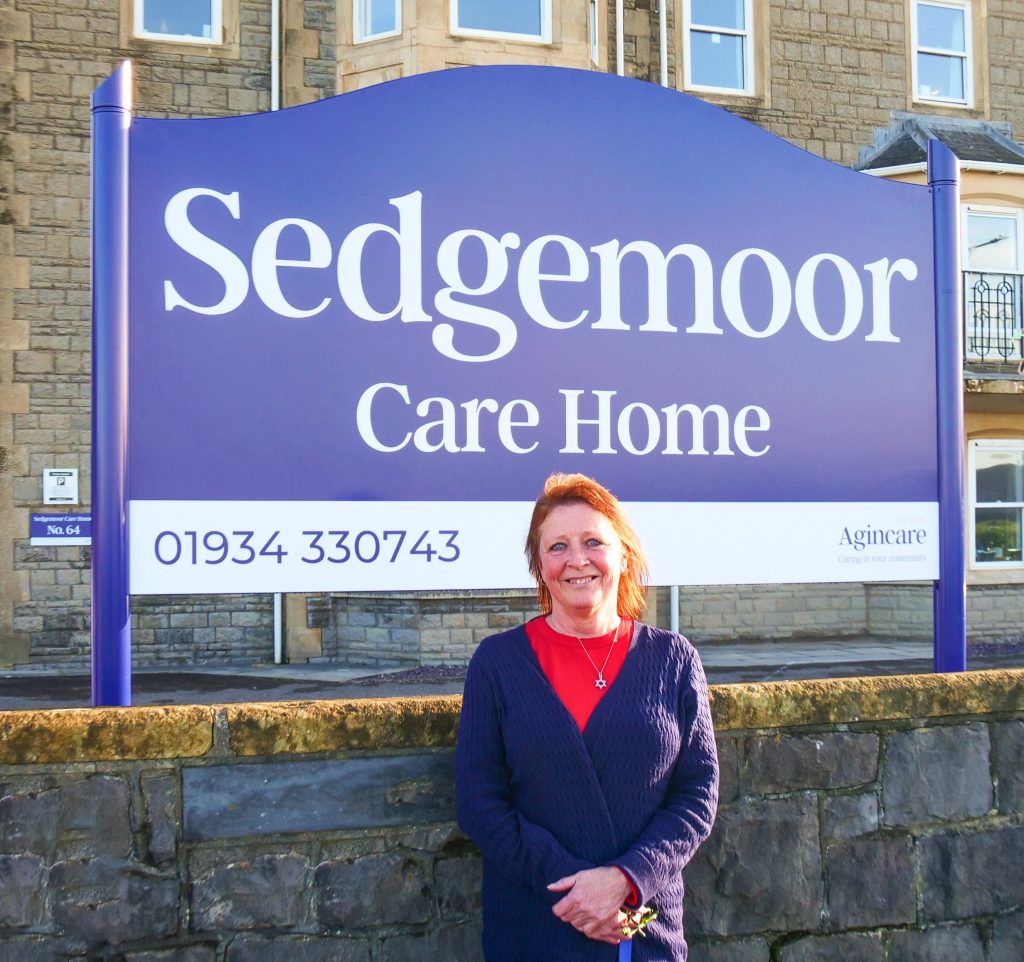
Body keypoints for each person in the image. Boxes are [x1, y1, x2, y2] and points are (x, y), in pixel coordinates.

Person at [455, 472, 719, 961]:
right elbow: (479, 802)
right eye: (557, 547)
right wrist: (578, 892)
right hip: (536, 926)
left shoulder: (674, 660)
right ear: (539, 565)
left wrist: (626, 879)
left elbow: (697, 795)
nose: (577, 560)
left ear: (623, 555)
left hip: (641, 928)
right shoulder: (497, 663)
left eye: (593, 541)